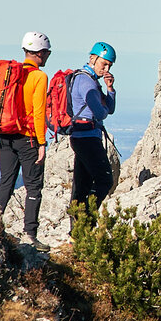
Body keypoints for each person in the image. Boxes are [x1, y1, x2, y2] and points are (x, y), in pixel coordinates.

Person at [0, 31, 51, 247]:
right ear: (40, 53)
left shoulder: (11, 74)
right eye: (47, 53)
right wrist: (42, 143)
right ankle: (30, 235)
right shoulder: (39, 77)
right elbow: (39, 112)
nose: (48, 56)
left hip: (4, 135)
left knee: (6, 183)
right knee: (33, 187)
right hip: (27, 137)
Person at [67, 41, 117, 214]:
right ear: (93, 59)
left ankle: (78, 232)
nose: (106, 69)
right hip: (87, 138)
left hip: (82, 137)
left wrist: (110, 88)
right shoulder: (86, 81)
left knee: (82, 185)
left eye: (109, 66)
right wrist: (101, 108)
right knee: (104, 180)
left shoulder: (90, 80)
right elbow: (102, 112)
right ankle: (86, 220)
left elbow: (109, 108)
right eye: (104, 64)